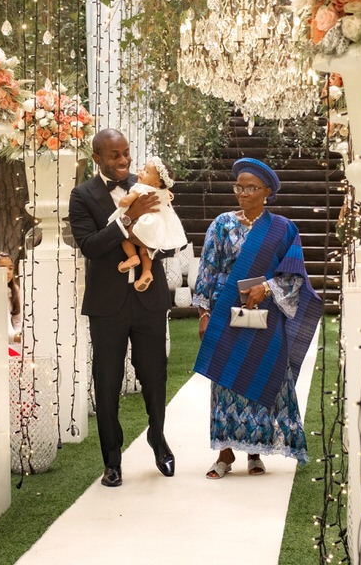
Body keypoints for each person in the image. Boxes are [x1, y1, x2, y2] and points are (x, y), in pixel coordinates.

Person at [193, 158, 322, 479]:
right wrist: (205, 312)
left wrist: (266, 286)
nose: (243, 193)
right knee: (225, 380)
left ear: (266, 192)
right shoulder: (222, 224)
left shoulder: (283, 229)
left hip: (266, 317)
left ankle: (255, 451)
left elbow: (295, 277)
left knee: (264, 376)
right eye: (239, 187)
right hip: (226, 312)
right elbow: (208, 270)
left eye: (251, 188)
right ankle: (224, 453)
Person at [69, 128, 175, 488]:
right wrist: (129, 219)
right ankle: (112, 461)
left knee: (155, 375)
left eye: (126, 153)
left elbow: (170, 239)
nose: (124, 161)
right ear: (97, 157)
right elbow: (90, 246)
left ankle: (158, 440)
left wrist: (153, 239)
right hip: (106, 304)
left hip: (148, 299)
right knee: (107, 381)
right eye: (114, 155)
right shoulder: (82, 195)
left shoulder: (147, 185)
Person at [108, 156, 187, 291]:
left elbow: (126, 202)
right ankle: (146, 273)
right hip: (156, 226)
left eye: (146, 172)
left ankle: (132, 257)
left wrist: (122, 202)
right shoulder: (164, 192)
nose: (142, 172)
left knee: (124, 234)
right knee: (146, 249)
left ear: (156, 183)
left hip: (143, 223)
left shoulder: (140, 187)